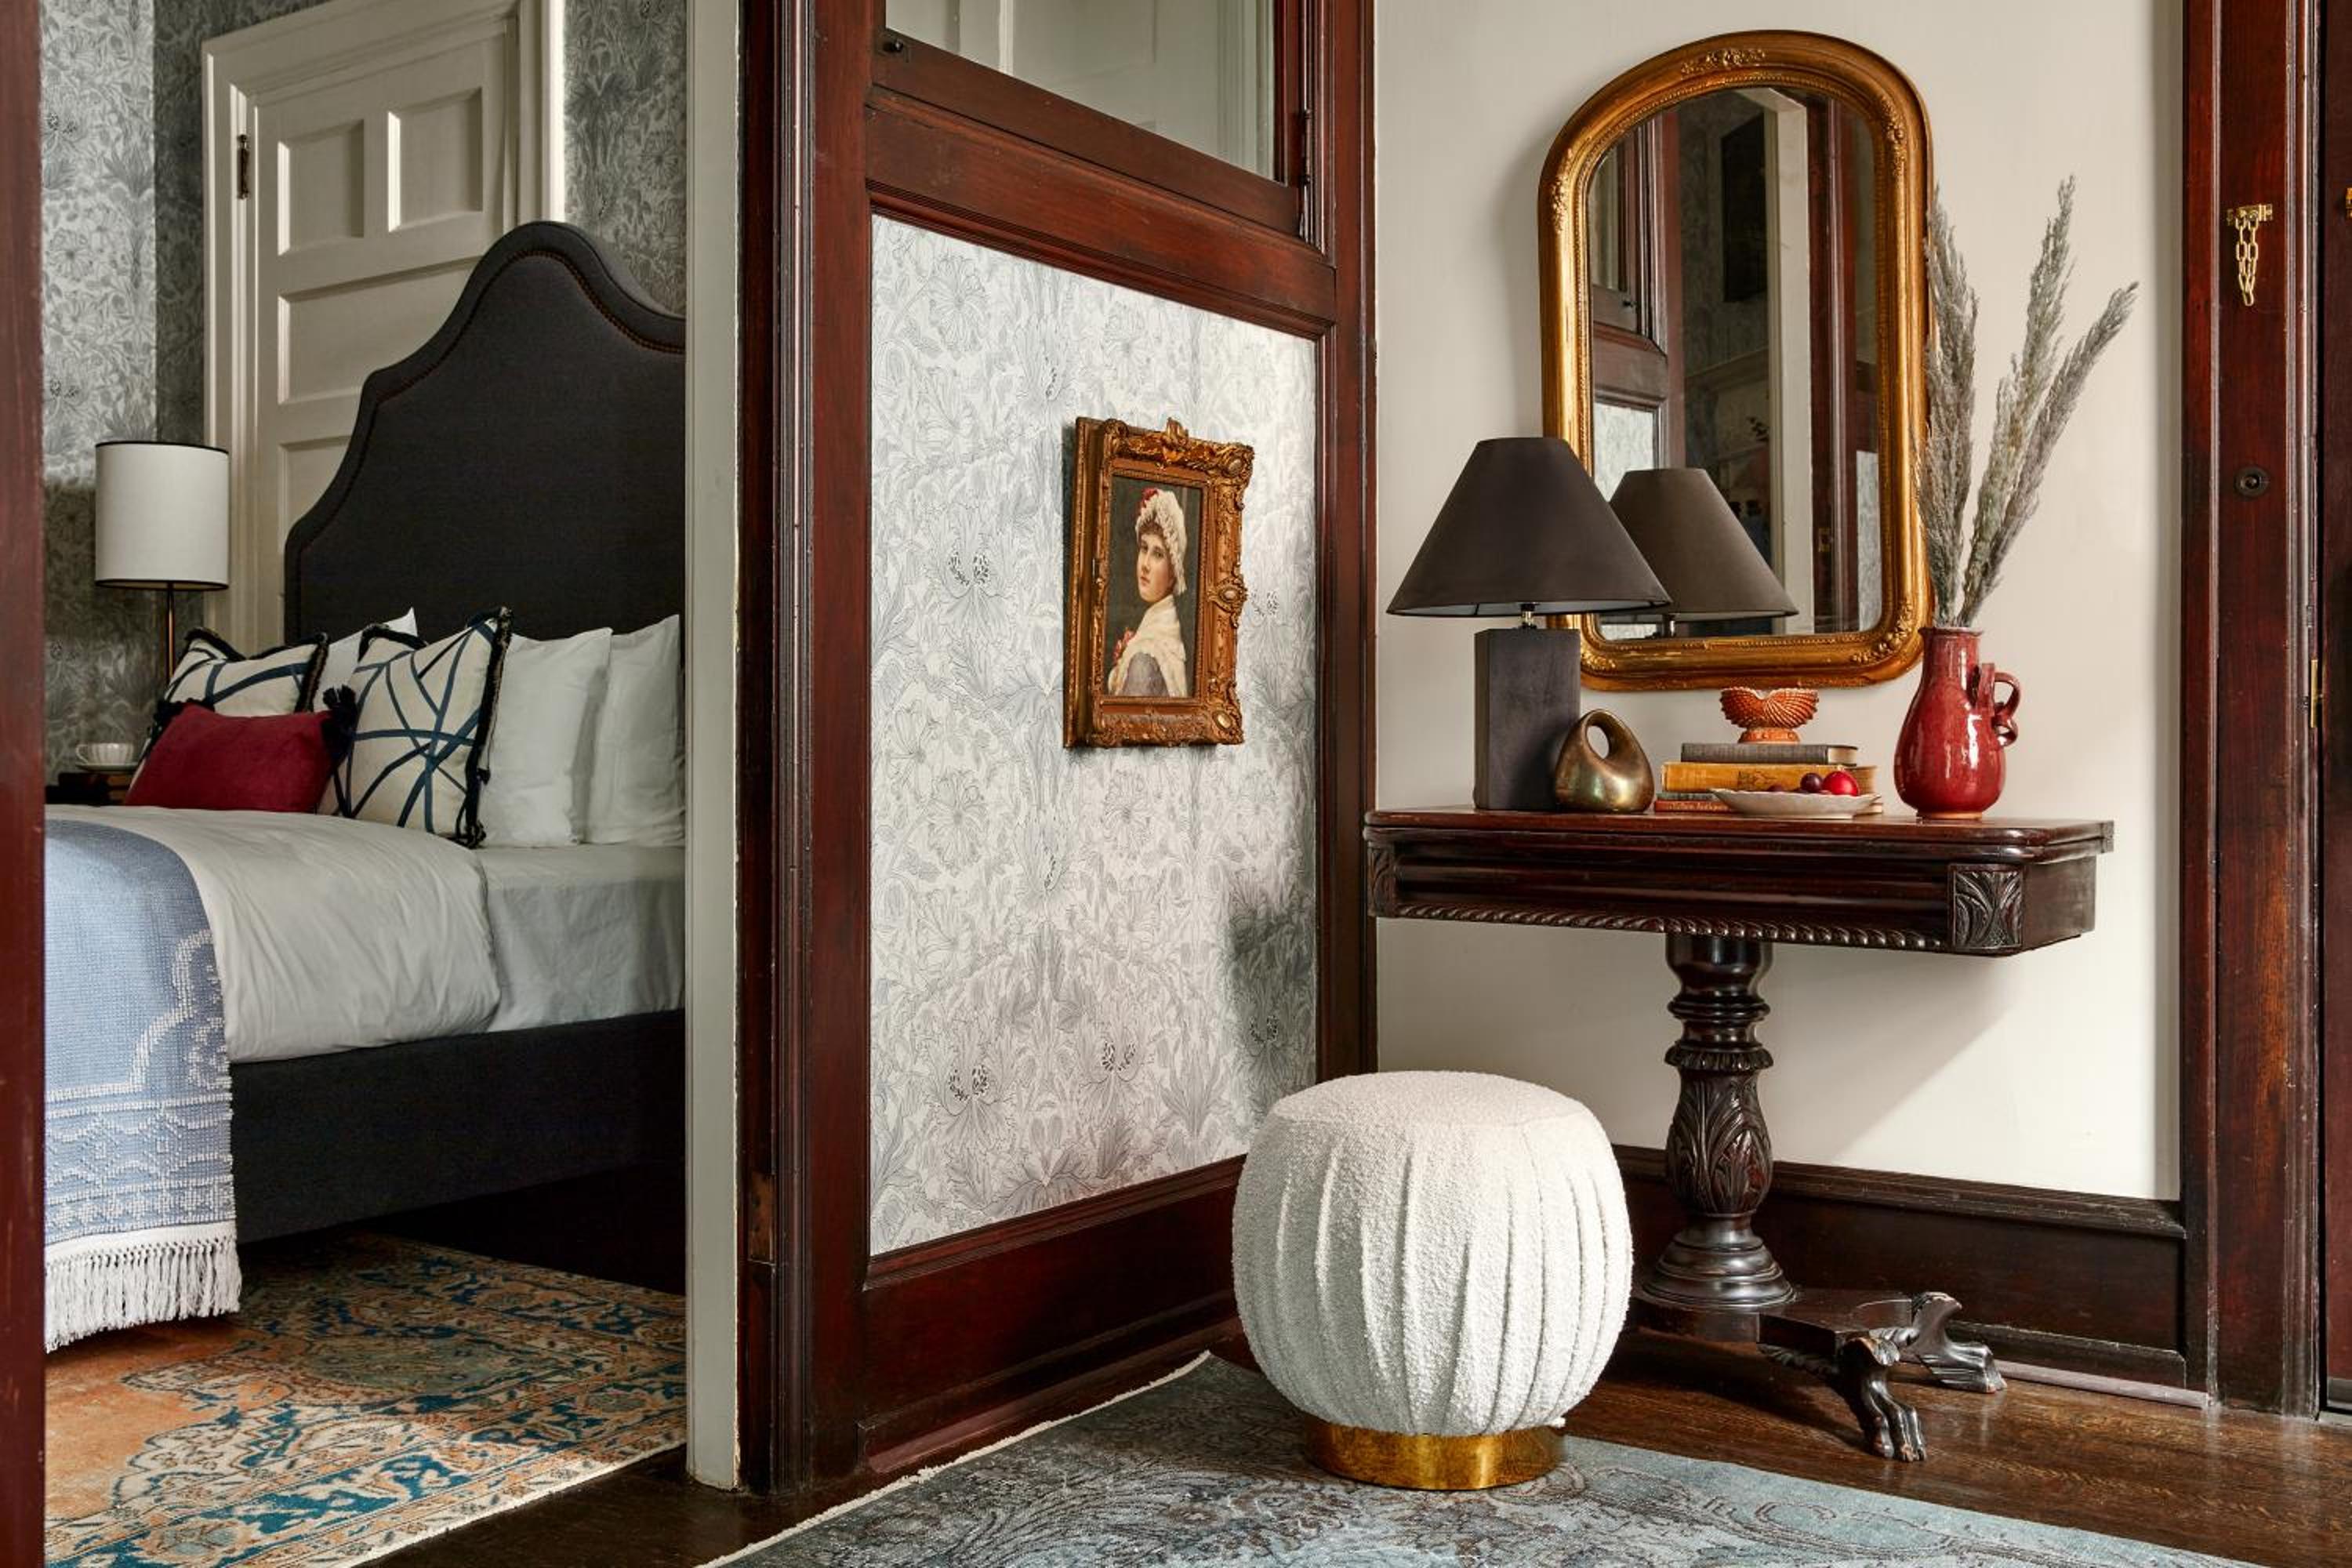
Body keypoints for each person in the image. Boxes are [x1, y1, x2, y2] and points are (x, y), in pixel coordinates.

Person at [1107, 487, 1190, 698]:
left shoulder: (1146, 657)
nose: (1145, 564)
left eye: (1158, 554)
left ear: (1173, 574)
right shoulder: (1164, 633)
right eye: (1144, 548)